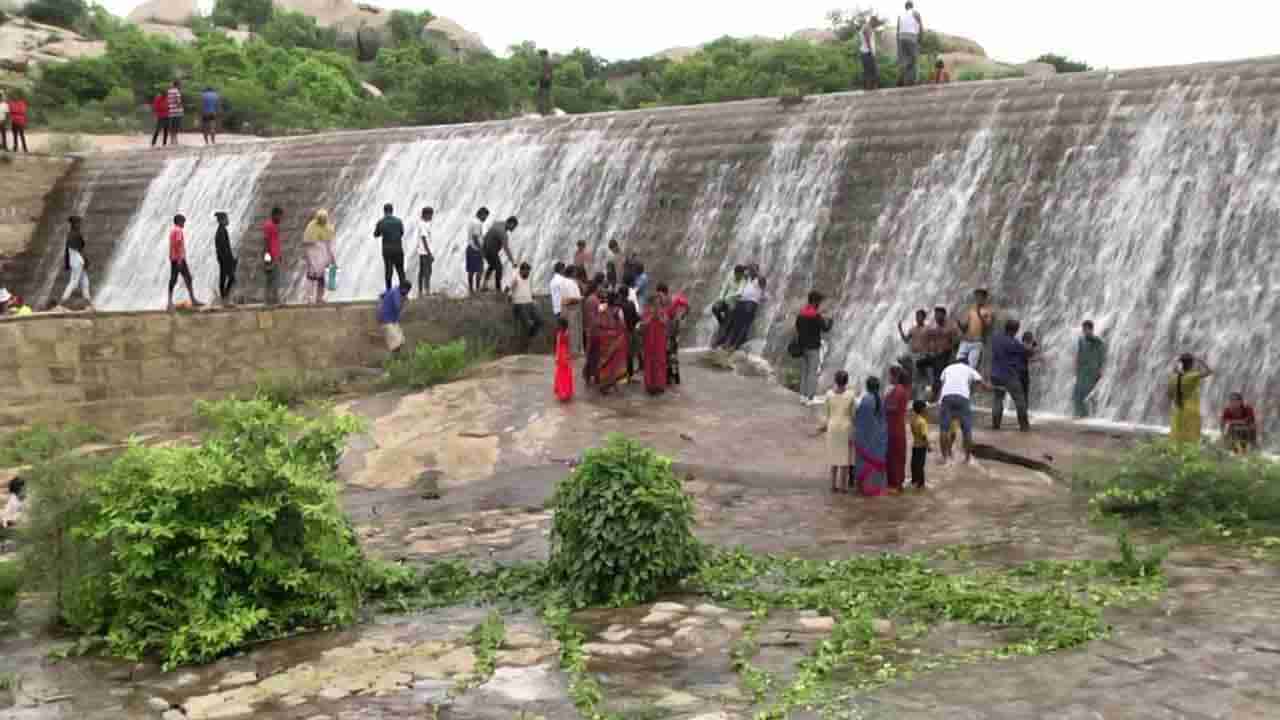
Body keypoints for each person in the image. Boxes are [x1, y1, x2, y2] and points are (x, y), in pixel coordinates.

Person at [938, 357, 990, 465]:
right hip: (962, 399)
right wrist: (989, 388)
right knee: (967, 430)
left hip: (946, 398)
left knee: (944, 429)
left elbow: (943, 385)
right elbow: (981, 383)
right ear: (967, 364)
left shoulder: (947, 368)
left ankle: (945, 458)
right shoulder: (969, 369)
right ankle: (967, 459)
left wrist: (940, 402)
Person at [990, 319, 1032, 431]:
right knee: (1020, 400)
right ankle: (1024, 426)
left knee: (998, 398)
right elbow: (1027, 352)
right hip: (1009, 376)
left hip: (995, 374)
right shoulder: (1014, 342)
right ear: (1016, 330)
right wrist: (1031, 347)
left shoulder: (996, 338)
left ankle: (995, 424)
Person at [821, 370, 856, 493]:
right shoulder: (851, 395)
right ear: (847, 381)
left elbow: (826, 414)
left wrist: (823, 427)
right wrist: (854, 432)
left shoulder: (829, 394)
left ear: (835, 380)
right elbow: (853, 415)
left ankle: (832, 485)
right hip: (845, 429)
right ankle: (843, 487)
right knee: (845, 460)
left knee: (834, 458)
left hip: (832, 428)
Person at [796, 291, 833, 404]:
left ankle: (802, 396)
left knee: (805, 372)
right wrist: (830, 320)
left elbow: (797, 327)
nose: (820, 304)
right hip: (813, 347)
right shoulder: (816, 316)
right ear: (816, 302)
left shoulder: (801, 313)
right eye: (820, 302)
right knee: (812, 372)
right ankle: (810, 397)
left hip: (803, 346)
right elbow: (825, 328)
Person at [853, 376, 889, 497]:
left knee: (864, 462)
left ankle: (863, 489)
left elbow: (861, 420)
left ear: (867, 386)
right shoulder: (881, 399)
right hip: (879, 438)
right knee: (876, 463)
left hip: (867, 438)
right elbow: (883, 421)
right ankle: (877, 488)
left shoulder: (867, 399)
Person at [1169, 354, 1213, 444]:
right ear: (1191, 364)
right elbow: (1209, 372)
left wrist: (1176, 363)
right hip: (1191, 410)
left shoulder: (1174, 377)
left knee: (1177, 435)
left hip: (1177, 410)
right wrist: (1201, 361)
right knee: (1191, 437)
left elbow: (1169, 394)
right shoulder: (1193, 376)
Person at [718, 267, 765, 351]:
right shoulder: (747, 279)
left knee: (744, 325)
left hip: (751, 303)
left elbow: (763, 284)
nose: (750, 271)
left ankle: (735, 346)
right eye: (750, 270)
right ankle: (728, 343)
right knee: (735, 324)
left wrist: (756, 273)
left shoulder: (760, 279)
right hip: (741, 301)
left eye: (752, 270)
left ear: (757, 271)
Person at [596, 289, 630, 393]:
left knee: (604, 361)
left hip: (603, 337)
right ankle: (614, 383)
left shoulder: (601, 308)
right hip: (615, 338)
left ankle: (604, 384)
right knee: (615, 361)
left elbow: (598, 322)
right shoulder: (618, 310)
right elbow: (623, 324)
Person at [885, 366, 912, 491]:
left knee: (895, 456)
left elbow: (893, 407)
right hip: (894, 427)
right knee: (893, 456)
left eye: (890, 375)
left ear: (895, 376)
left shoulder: (899, 390)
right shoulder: (898, 389)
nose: (888, 378)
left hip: (895, 428)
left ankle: (896, 484)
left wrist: (882, 405)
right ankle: (894, 483)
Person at [302, 209, 337, 304]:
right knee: (313, 278)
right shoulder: (312, 228)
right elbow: (330, 247)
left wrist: (332, 259)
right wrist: (333, 260)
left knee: (317, 279)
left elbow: (306, 245)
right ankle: (311, 298)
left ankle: (316, 298)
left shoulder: (313, 228)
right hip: (317, 258)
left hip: (320, 258)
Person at [641, 284, 671, 395]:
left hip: (659, 342)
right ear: (652, 302)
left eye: (659, 302)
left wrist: (658, 317)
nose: (658, 304)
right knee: (649, 362)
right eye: (656, 302)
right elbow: (643, 325)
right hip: (649, 342)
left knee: (660, 362)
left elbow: (666, 323)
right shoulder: (646, 312)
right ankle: (650, 385)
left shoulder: (663, 312)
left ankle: (660, 385)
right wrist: (650, 318)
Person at [166, 213, 200, 310]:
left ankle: (170, 302)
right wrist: (180, 259)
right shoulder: (179, 231)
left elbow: (173, 245)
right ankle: (193, 299)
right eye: (183, 222)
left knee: (174, 279)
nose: (184, 224)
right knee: (187, 278)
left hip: (173, 258)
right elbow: (178, 244)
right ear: (180, 222)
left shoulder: (172, 231)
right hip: (179, 258)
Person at [1073, 321, 1107, 417]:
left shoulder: (1099, 341)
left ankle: (1092, 415)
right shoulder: (1081, 340)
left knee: (1090, 395)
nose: (1084, 331)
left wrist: (1101, 369)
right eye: (1083, 329)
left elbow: (1102, 356)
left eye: (1086, 329)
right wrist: (1076, 367)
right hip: (1082, 370)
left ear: (1091, 329)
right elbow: (1078, 354)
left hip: (1093, 371)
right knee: (1077, 393)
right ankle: (1080, 414)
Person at [59, 215, 92, 309]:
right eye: (79, 223)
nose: (81, 224)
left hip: (76, 261)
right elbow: (77, 249)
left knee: (85, 282)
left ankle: (88, 302)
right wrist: (85, 260)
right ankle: (63, 301)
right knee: (74, 282)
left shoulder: (72, 234)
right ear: (75, 224)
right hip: (77, 261)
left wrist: (67, 263)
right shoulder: (75, 234)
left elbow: (69, 251)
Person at [956, 288, 994, 369]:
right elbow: (964, 327)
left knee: (971, 367)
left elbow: (988, 326)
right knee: (958, 362)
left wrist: (979, 314)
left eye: (980, 296)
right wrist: (959, 323)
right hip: (965, 341)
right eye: (977, 296)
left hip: (976, 343)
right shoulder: (970, 310)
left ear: (984, 298)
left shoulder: (988, 311)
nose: (978, 298)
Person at [925, 306, 957, 401]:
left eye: (939, 314)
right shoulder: (934, 328)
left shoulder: (950, 327)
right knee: (923, 364)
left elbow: (956, 341)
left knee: (938, 374)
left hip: (945, 355)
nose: (936, 316)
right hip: (935, 355)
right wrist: (929, 351)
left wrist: (946, 349)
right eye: (935, 314)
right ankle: (932, 392)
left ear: (944, 315)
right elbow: (929, 340)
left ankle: (935, 395)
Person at [899, 309, 931, 402]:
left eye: (920, 316)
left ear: (924, 318)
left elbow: (932, 341)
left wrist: (930, 352)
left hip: (923, 355)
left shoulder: (928, 329)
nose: (918, 318)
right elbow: (906, 340)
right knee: (915, 375)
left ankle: (923, 396)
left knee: (922, 376)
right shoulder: (912, 329)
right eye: (917, 316)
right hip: (913, 355)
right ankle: (916, 396)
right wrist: (900, 330)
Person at [374, 203, 406, 292]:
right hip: (398, 249)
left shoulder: (381, 222)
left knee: (388, 271)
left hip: (387, 250)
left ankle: (389, 291)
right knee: (400, 270)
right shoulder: (399, 221)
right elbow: (402, 233)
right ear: (392, 210)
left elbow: (376, 234)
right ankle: (403, 291)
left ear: (384, 211)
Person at [483, 216, 518, 291]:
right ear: (510, 223)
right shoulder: (503, 233)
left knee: (492, 265)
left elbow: (489, 232)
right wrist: (513, 261)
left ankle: (484, 285)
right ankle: (498, 289)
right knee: (499, 268)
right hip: (490, 250)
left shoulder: (498, 223)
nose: (514, 229)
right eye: (514, 226)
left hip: (485, 248)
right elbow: (506, 249)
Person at [509, 262, 542, 343]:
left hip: (530, 303)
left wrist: (534, 298)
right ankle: (529, 333)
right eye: (526, 271)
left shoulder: (529, 278)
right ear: (521, 271)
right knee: (528, 322)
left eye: (528, 272)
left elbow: (530, 290)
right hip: (519, 304)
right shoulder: (516, 278)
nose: (527, 273)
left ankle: (531, 333)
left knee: (539, 320)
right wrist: (509, 295)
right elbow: (511, 288)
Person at [712, 265, 748, 339]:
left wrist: (729, 297)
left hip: (734, 303)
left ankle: (724, 334)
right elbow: (724, 288)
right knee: (715, 308)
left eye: (739, 275)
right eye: (736, 274)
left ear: (741, 274)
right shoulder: (731, 276)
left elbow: (740, 292)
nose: (737, 276)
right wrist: (721, 298)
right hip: (725, 300)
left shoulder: (743, 280)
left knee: (730, 315)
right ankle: (721, 322)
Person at [378, 281, 411, 354]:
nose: (407, 293)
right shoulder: (396, 294)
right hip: (387, 321)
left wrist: (380, 307)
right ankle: (394, 360)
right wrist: (404, 302)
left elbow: (381, 295)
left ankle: (397, 358)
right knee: (396, 343)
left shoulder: (394, 290)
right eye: (407, 291)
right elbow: (398, 307)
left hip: (393, 320)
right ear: (404, 289)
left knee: (401, 341)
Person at [897, 1, 924, 87]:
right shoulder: (915, 13)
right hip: (911, 37)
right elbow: (921, 27)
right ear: (912, 6)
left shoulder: (900, 15)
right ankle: (913, 83)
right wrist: (920, 41)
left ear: (906, 7)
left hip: (901, 38)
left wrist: (898, 44)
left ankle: (905, 82)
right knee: (914, 61)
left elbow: (898, 30)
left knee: (905, 61)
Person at [560, 264, 584, 355]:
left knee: (574, 329)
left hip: (572, 306)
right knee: (573, 329)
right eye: (575, 271)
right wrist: (580, 298)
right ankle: (573, 351)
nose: (576, 272)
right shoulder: (568, 282)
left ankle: (575, 350)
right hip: (572, 307)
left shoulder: (570, 282)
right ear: (572, 272)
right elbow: (570, 298)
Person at [667, 291, 689, 386]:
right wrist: (683, 316)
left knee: (669, 353)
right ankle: (675, 378)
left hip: (671, 326)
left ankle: (670, 377)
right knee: (673, 353)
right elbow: (688, 306)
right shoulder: (676, 298)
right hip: (674, 327)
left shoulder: (672, 300)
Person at [263, 207, 283, 306]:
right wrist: (267, 258)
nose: (281, 219)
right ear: (275, 215)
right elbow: (266, 242)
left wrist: (279, 255)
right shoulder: (269, 225)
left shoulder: (274, 225)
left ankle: (273, 299)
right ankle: (271, 300)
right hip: (271, 257)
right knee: (271, 278)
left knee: (275, 278)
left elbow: (275, 242)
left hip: (276, 256)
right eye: (279, 216)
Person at [466, 207, 488, 294]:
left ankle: (471, 290)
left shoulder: (472, 221)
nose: (485, 219)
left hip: (470, 248)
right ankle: (477, 289)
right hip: (476, 249)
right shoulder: (477, 223)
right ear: (481, 214)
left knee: (471, 271)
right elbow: (475, 237)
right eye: (485, 216)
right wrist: (481, 250)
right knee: (479, 270)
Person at [414, 206, 434, 297]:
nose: (431, 217)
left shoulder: (423, 224)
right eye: (431, 215)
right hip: (425, 252)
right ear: (426, 214)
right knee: (427, 272)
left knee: (422, 272)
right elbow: (424, 239)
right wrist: (429, 253)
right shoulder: (423, 225)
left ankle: (421, 291)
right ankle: (426, 291)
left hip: (422, 252)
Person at [910, 400, 930, 489]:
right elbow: (924, 436)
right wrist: (928, 445)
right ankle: (921, 485)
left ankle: (914, 480)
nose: (926, 410)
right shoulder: (922, 422)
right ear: (922, 409)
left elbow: (914, 433)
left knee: (914, 464)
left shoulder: (913, 420)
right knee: (920, 465)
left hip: (915, 445)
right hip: (921, 447)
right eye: (925, 408)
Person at [554, 316, 575, 402]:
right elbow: (568, 346)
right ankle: (565, 393)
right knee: (564, 374)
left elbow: (560, 345)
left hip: (562, 355)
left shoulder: (563, 333)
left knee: (562, 374)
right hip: (564, 355)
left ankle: (563, 393)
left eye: (559, 324)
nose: (558, 326)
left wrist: (557, 356)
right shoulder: (566, 333)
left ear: (562, 325)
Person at [859, 18, 881, 91]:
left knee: (868, 72)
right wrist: (872, 52)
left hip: (866, 52)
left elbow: (869, 40)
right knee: (872, 72)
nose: (876, 26)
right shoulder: (867, 27)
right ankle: (871, 89)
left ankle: (868, 89)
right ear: (872, 21)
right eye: (876, 24)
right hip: (867, 53)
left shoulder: (867, 27)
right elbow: (868, 40)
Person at [1020, 330, 1039, 408]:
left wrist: (1034, 346)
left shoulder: (1022, 347)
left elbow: (1031, 354)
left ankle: (1023, 410)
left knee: (1024, 394)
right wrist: (1038, 359)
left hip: (1023, 374)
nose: (1030, 345)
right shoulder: (1022, 348)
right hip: (1020, 374)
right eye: (1029, 342)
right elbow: (1028, 358)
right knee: (1022, 394)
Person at [166, 80, 184, 145]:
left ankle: (171, 141)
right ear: (178, 85)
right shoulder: (177, 92)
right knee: (176, 126)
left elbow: (167, 101)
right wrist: (181, 108)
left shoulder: (169, 91)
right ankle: (175, 140)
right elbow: (178, 102)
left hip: (170, 111)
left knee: (171, 126)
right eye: (180, 85)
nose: (181, 86)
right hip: (177, 112)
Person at [537, 49, 554, 116]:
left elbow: (546, 70)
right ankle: (549, 110)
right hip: (547, 79)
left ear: (544, 54)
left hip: (545, 79)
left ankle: (544, 112)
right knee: (548, 94)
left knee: (543, 95)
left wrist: (545, 78)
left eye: (541, 55)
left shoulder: (546, 60)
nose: (540, 56)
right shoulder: (548, 60)